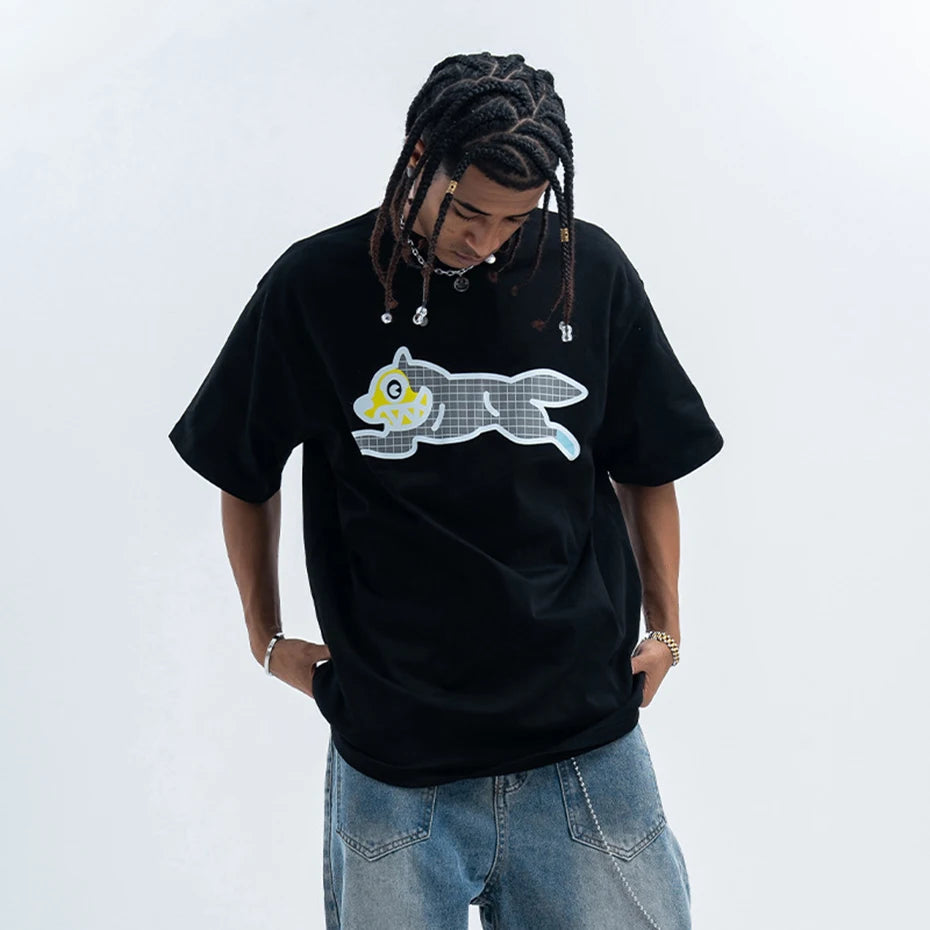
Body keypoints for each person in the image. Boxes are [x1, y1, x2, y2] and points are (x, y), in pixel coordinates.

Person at [168, 51, 723, 930]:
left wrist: (667, 628)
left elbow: (649, 459)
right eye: (468, 211)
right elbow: (241, 464)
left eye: (516, 217)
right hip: (396, 760)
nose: (487, 239)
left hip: (583, 746)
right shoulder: (316, 285)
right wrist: (265, 637)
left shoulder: (587, 271)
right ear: (420, 157)